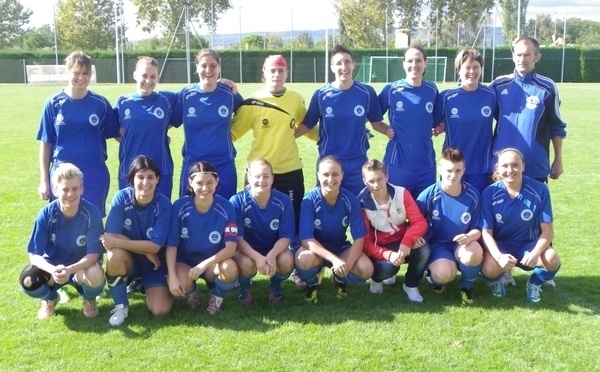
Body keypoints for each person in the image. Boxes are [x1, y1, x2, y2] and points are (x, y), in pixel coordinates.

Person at [231, 54, 317, 237]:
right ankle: (251, 261)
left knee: (292, 218)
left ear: (287, 73)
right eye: (272, 70)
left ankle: (290, 262)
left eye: (281, 70)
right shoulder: (252, 102)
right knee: (252, 220)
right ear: (264, 74)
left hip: (290, 170)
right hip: (257, 173)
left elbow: (306, 126)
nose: (276, 74)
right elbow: (232, 134)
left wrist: (332, 134)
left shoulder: (295, 99)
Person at [295, 45, 390, 196]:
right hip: (329, 163)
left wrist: (391, 131)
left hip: (357, 162)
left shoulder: (366, 93)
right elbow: (307, 125)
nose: (343, 67)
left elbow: (376, 123)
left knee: (358, 207)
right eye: (338, 63)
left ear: (353, 65)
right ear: (332, 67)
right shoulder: (321, 95)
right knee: (326, 207)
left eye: (347, 62)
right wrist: (285, 136)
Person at [37, 51, 119, 216]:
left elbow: (118, 134)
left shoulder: (100, 104)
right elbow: (46, 144)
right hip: (62, 173)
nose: (81, 78)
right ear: (67, 73)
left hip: (94, 172)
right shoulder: (53, 103)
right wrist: (44, 180)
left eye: (85, 73)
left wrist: (156, 133)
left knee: (92, 220)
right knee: (61, 221)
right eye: (76, 73)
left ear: (90, 75)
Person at [19, 163, 105, 319]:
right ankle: (50, 299)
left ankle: (89, 299)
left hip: (80, 270)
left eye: (75, 188)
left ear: (82, 189)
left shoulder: (92, 213)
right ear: (55, 190)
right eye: (65, 189)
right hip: (54, 269)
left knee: (95, 273)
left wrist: (69, 270)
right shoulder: (46, 214)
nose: (70, 194)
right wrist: (53, 270)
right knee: (28, 279)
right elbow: (34, 254)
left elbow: (93, 255)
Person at [480, 148, 561, 303]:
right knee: (489, 268)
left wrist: (536, 252)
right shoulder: (489, 193)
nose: (510, 170)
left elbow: (548, 231)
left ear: (523, 166)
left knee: (552, 259)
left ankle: (534, 283)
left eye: (515, 165)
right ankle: (497, 281)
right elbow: (486, 232)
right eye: (504, 166)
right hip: (502, 247)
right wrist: (499, 256)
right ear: (497, 168)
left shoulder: (540, 189)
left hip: (528, 246)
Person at [100, 156, 173, 326]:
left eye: (150, 177)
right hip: (131, 259)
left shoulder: (163, 204)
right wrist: (146, 250)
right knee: (114, 254)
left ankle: (143, 283)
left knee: (160, 310)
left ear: (157, 180)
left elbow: (155, 247)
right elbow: (110, 237)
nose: (145, 183)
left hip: (155, 263)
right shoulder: (121, 198)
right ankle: (121, 306)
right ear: (132, 179)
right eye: (140, 177)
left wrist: (150, 250)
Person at [295, 156, 373, 303]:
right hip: (315, 251)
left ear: (342, 175)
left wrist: (346, 267)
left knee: (366, 268)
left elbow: (359, 239)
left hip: (339, 248)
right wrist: (334, 260)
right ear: (318, 175)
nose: (330, 179)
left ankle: (338, 279)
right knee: (304, 258)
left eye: (335, 174)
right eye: (325, 174)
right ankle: (312, 283)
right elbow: (306, 239)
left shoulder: (351, 200)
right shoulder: (309, 200)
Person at [489, 36, 566, 183]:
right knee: (500, 206)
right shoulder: (498, 85)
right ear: (513, 57)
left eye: (527, 54)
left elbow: (556, 126)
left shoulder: (547, 88)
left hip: (535, 167)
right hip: (502, 166)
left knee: (533, 206)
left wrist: (558, 160)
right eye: (518, 54)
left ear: (536, 57)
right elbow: (480, 115)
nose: (522, 59)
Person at [166, 161, 239, 315]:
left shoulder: (227, 207)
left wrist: (203, 265)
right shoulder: (179, 206)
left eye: (210, 183)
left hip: (213, 263)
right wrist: (172, 275)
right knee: (177, 285)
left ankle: (217, 297)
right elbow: (171, 245)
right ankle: (191, 291)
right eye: (199, 183)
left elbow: (231, 248)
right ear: (190, 182)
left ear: (217, 182)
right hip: (186, 262)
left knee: (230, 269)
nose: (205, 188)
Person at [172, 49, 243, 199]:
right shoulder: (186, 95)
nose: (208, 70)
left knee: (225, 211)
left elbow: (246, 113)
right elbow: (170, 121)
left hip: (224, 164)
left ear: (219, 67)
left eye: (213, 65)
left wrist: (234, 133)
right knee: (188, 212)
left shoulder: (229, 93)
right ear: (196, 67)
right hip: (193, 165)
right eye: (203, 65)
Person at [416, 148, 483, 304]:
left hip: (462, 245)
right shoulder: (428, 195)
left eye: (458, 170)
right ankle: (434, 278)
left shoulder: (473, 195)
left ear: (463, 170)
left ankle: (466, 287)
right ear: (440, 169)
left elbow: (478, 228)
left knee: (475, 250)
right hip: (437, 246)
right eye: (449, 170)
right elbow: (414, 223)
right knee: (444, 275)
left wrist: (469, 237)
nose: (453, 175)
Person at [358, 159, 429, 303]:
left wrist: (409, 239)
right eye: (371, 181)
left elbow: (420, 222)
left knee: (424, 250)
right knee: (388, 269)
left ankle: (411, 285)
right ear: (364, 181)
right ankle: (377, 279)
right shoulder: (361, 204)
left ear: (387, 177)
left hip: (402, 240)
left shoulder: (402, 193)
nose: (376, 185)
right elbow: (365, 242)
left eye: (380, 179)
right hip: (380, 247)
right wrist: (388, 254)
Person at [378, 45, 441, 198]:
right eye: (410, 61)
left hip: (426, 166)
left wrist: (441, 127)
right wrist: (385, 129)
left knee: (424, 213)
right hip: (397, 165)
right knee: (395, 214)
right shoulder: (391, 90)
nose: (414, 65)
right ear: (404, 64)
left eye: (419, 60)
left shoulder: (432, 90)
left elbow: (440, 119)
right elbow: (372, 116)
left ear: (426, 64)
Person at [229, 159, 295, 304]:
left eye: (266, 176)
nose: (261, 180)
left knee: (287, 260)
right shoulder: (236, 201)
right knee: (246, 264)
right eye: (257, 176)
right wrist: (257, 257)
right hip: (247, 251)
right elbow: (238, 239)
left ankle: (275, 285)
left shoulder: (283, 201)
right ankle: (245, 290)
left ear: (272, 178)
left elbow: (286, 237)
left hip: (273, 249)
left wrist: (271, 255)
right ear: (249, 177)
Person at [114, 56, 178, 199]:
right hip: (129, 170)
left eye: (153, 76)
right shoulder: (122, 102)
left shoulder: (166, 99)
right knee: (130, 217)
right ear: (135, 75)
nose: (148, 81)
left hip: (161, 170)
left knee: (160, 214)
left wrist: (219, 81)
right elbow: (112, 130)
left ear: (158, 78)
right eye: (144, 75)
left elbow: (194, 92)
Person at [434, 48, 496, 193]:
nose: (472, 71)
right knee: (451, 209)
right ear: (459, 70)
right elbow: (430, 123)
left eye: (476, 67)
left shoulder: (491, 95)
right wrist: (441, 125)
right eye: (467, 67)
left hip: (481, 167)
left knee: (477, 209)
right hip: (452, 167)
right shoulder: (446, 97)